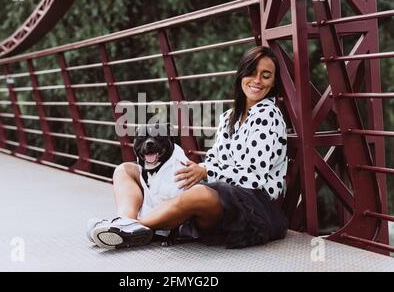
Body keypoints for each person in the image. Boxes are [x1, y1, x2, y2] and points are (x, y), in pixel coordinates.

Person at [87, 46, 288, 249]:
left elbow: (255, 177)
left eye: (266, 76)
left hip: (253, 207)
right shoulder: (229, 117)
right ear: (241, 74)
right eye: (252, 72)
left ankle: (133, 228)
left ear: (273, 83)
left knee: (197, 193)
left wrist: (207, 171)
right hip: (222, 191)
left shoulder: (267, 115)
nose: (257, 80)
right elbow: (216, 160)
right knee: (126, 170)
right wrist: (195, 169)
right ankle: (124, 220)